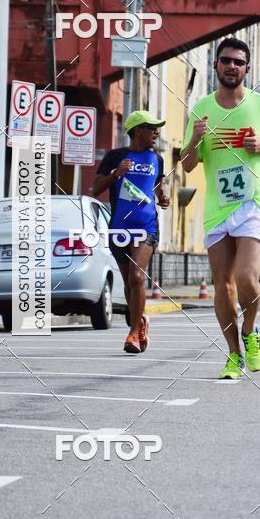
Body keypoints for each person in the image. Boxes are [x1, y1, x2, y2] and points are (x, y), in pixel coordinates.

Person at [181, 37, 260, 380]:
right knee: (223, 287)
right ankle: (233, 354)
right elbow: (186, 164)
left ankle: (251, 331)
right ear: (216, 66)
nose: (232, 66)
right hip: (216, 207)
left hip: (252, 204)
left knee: (246, 278)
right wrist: (196, 140)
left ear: (247, 68)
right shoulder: (201, 109)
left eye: (238, 62)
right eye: (226, 60)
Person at [92, 111, 170, 353]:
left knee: (137, 277)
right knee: (129, 283)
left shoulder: (157, 158)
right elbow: (95, 189)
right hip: (119, 227)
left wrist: (162, 197)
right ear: (137, 130)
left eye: (158, 127)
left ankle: (134, 333)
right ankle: (141, 320)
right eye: (151, 127)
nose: (157, 132)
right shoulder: (116, 156)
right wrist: (117, 173)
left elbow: (157, 182)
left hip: (146, 227)